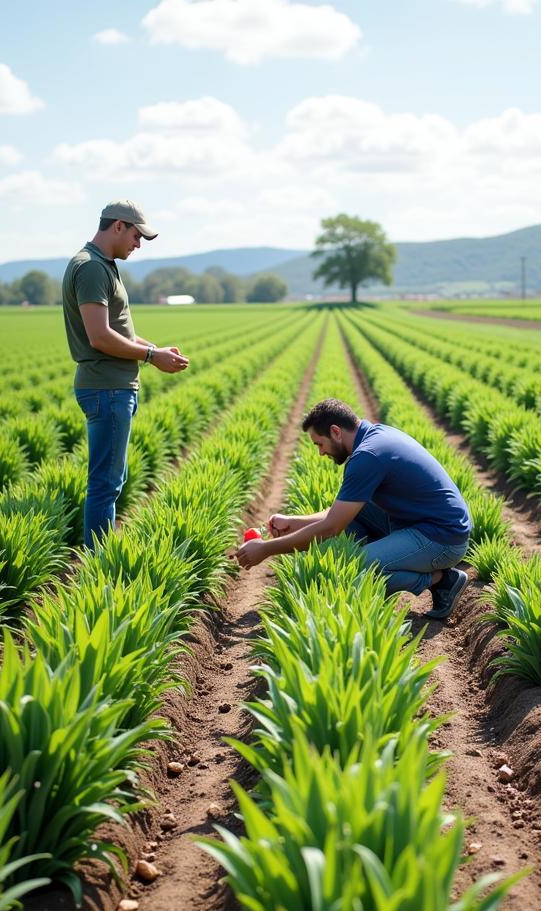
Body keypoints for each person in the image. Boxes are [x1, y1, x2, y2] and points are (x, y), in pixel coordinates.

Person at [233, 398, 471, 619]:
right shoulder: (374, 436)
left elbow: (331, 527)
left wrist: (266, 549)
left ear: (336, 432)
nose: (321, 452)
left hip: (442, 537)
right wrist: (294, 521)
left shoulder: (368, 456)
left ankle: (441, 581)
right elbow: (339, 514)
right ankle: (405, 563)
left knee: (355, 569)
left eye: (320, 443)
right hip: (417, 522)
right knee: (353, 524)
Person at [62, 200, 189, 548]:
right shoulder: (90, 268)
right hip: (107, 388)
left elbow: (119, 332)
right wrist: (151, 356)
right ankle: (100, 565)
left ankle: (101, 557)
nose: (138, 244)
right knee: (105, 484)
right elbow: (99, 337)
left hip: (114, 388)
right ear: (118, 226)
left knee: (112, 480)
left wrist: (156, 350)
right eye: (136, 236)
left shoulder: (103, 265)